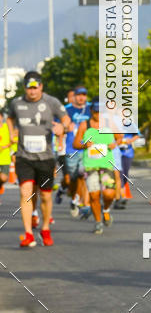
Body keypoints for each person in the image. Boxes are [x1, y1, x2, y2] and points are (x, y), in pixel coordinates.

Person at [7, 71, 71, 247]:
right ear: (25, 88)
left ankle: (45, 228)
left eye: (35, 88)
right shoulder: (17, 103)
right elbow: (10, 118)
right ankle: (28, 233)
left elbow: (66, 119)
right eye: (29, 88)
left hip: (45, 158)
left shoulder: (51, 102)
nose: (32, 91)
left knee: (45, 196)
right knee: (25, 193)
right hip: (24, 157)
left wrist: (62, 127)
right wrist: (11, 132)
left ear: (41, 87)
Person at [73, 98, 120, 235]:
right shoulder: (85, 125)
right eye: (96, 112)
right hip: (91, 166)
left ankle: (106, 210)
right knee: (94, 196)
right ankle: (98, 222)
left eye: (101, 112)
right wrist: (84, 145)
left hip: (106, 165)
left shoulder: (109, 123)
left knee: (109, 194)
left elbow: (119, 137)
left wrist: (114, 144)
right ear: (91, 111)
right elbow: (75, 144)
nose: (98, 114)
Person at [63, 86, 92, 218]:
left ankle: (85, 204)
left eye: (84, 95)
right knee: (73, 179)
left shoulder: (91, 108)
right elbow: (58, 126)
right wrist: (65, 128)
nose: (81, 97)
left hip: (86, 148)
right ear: (74, 96)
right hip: (71, 148)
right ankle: (74, 198)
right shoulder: (67, 109)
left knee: (84, 175)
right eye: (79, 95)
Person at [0, 109, 11, 199]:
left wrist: (6, 145)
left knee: (3, 178)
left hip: (5, 157)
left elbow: (13, 139)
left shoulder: (7, 127)